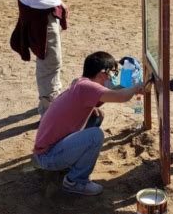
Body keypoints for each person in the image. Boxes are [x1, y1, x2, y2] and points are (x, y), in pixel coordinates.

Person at [33, 51, 143, 196]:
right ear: (103, 73)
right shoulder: (88, 88)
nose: (113, 78)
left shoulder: (80, 83)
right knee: (95, 136)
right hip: (48, 157)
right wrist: (137, 88)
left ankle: (72, 161)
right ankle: (75, 181)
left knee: (97, 116)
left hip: (48, 150)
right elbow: (121, 96)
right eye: (113, 73)